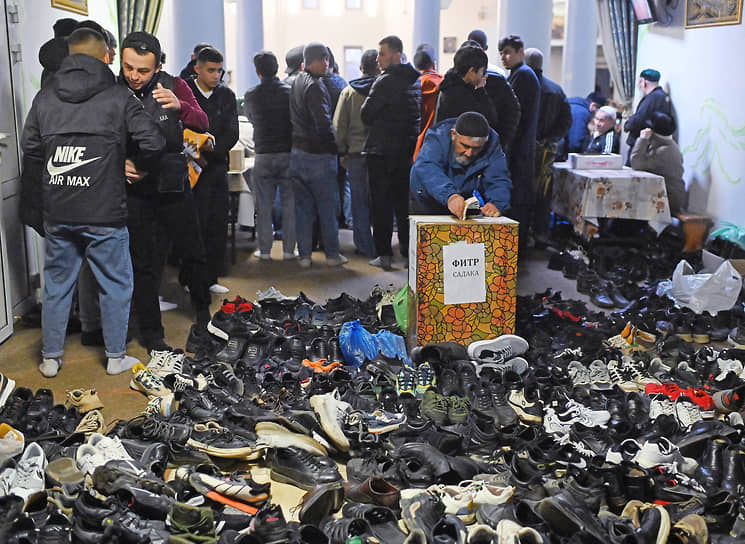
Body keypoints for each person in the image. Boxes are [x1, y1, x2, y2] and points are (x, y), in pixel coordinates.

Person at [20, 27, 164, 377]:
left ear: (69, 56)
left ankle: (50, 358)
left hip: (59, 210)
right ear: (105, 57)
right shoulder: (119, 97)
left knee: (56, 285)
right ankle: (115, 357)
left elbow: (32, 149)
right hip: (104, 212)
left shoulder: (44, 98)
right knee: (115, 284)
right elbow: (154, 142)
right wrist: (133, 165)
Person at [118, 31, 213, 354]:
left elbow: (202, 121)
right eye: (128, 67)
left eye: (143, 71)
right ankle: (153, 336)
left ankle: (204, 314)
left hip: (173, 185)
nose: (134, 76)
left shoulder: (174, 85)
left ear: (157, 66)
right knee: (143, 264)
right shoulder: (113, 89)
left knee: (193, 252)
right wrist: (119, 164)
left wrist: (181, 106)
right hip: (136, 191)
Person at [360, 35, 421, 271]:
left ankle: (384, 254)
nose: (378, 59)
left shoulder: (384, 81)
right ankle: (407, 253)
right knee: (402, 205)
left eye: (382, 54)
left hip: (381, 151)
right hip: (405, 150)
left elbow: (366, 114)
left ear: (396, 55)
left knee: (381, 205)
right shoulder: (414, 80)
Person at [186, 46, 239, 293]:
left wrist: (210, 146)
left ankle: (211, 278)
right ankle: (190, 278)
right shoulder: (185, 91)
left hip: (217, 168)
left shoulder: (226, 96)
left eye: (219, 71)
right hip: (190, 167)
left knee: (217, 223)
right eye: (210, 70)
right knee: (193, 223)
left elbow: (231, 133)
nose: (216, 75)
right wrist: (198, 144)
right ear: (197, 68)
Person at [289, 42, 346, 268]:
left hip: (297, 154)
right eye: (324, 60)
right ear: (316, 60)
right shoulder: (316, 86)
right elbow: (323, 125)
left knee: (302, 209)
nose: (327, 64)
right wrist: (336, 150)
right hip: (318, 158)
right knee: (326, 207)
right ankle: (332, 254)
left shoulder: (297, 82)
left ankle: (304, 255)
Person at [243, 51, 296, 261]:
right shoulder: (289, 92)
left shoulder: (251, 95)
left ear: (257, 71)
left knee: (263, 206)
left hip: (263, 154)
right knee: (289, 205)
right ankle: (289, 251)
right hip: (287, 152)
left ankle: (265, 251)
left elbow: (250, 118)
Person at [410, 112, 511, 218]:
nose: (469, 153)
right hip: (427, 198)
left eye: (476, 148)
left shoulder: (492, 144)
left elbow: (498, 177)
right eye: (465, 146)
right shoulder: (437, 138)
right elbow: (429, 170)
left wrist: (496, 203)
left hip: (462, 198)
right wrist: (450, 196)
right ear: (453, 134)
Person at [333, 49, 378, 259]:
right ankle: (382, 245)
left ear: (361, 68)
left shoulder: (349, 92)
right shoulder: (384, 90)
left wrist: (342, 151)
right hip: (380, 154)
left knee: (358, 201)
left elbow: (339, 126)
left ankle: (364, 245)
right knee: (379, 200)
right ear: (379, 68)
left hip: (356, 154)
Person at [524, 48, 572, 245]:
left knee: (522, 192)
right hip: (548, 151)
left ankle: (522, 235)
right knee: (543, 193)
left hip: (525, 150)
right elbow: (566, 121)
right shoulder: (556, 90)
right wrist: (551, 138)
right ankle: (541, 234)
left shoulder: (520, 86)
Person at [499, 34, 540, 251]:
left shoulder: (523, 76)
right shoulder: (519, 74)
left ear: (520, 52)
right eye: (502, 53)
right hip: (521, 147)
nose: (504, 57)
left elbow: (516, 116)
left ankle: (517, 248)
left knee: (518, 201)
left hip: (520, 148)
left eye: (508, 52)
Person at [631, 112, 685, 216]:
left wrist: (642, 139)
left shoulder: (664, 150)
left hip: (669, 198)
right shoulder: (667, 144)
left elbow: (636, 164)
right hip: (662, 193)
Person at [435, 45, 499, 131]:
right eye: (482, 71)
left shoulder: (449, 86)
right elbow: (488, 120)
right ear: (471, 71)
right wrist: (480, 90)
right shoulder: (460, 96)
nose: (484, 75)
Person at [624, 68, 673, 164]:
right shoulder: (660, 96)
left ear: (643, 82)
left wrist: (627, 125)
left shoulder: (653, 98)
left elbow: (639, 119)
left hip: (643, 146)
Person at [412, 44, 443, 159]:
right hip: (440, 143)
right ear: (434, 65)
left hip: (418, 145)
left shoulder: (414, 87)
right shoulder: (444, 83)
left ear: (415, 68)